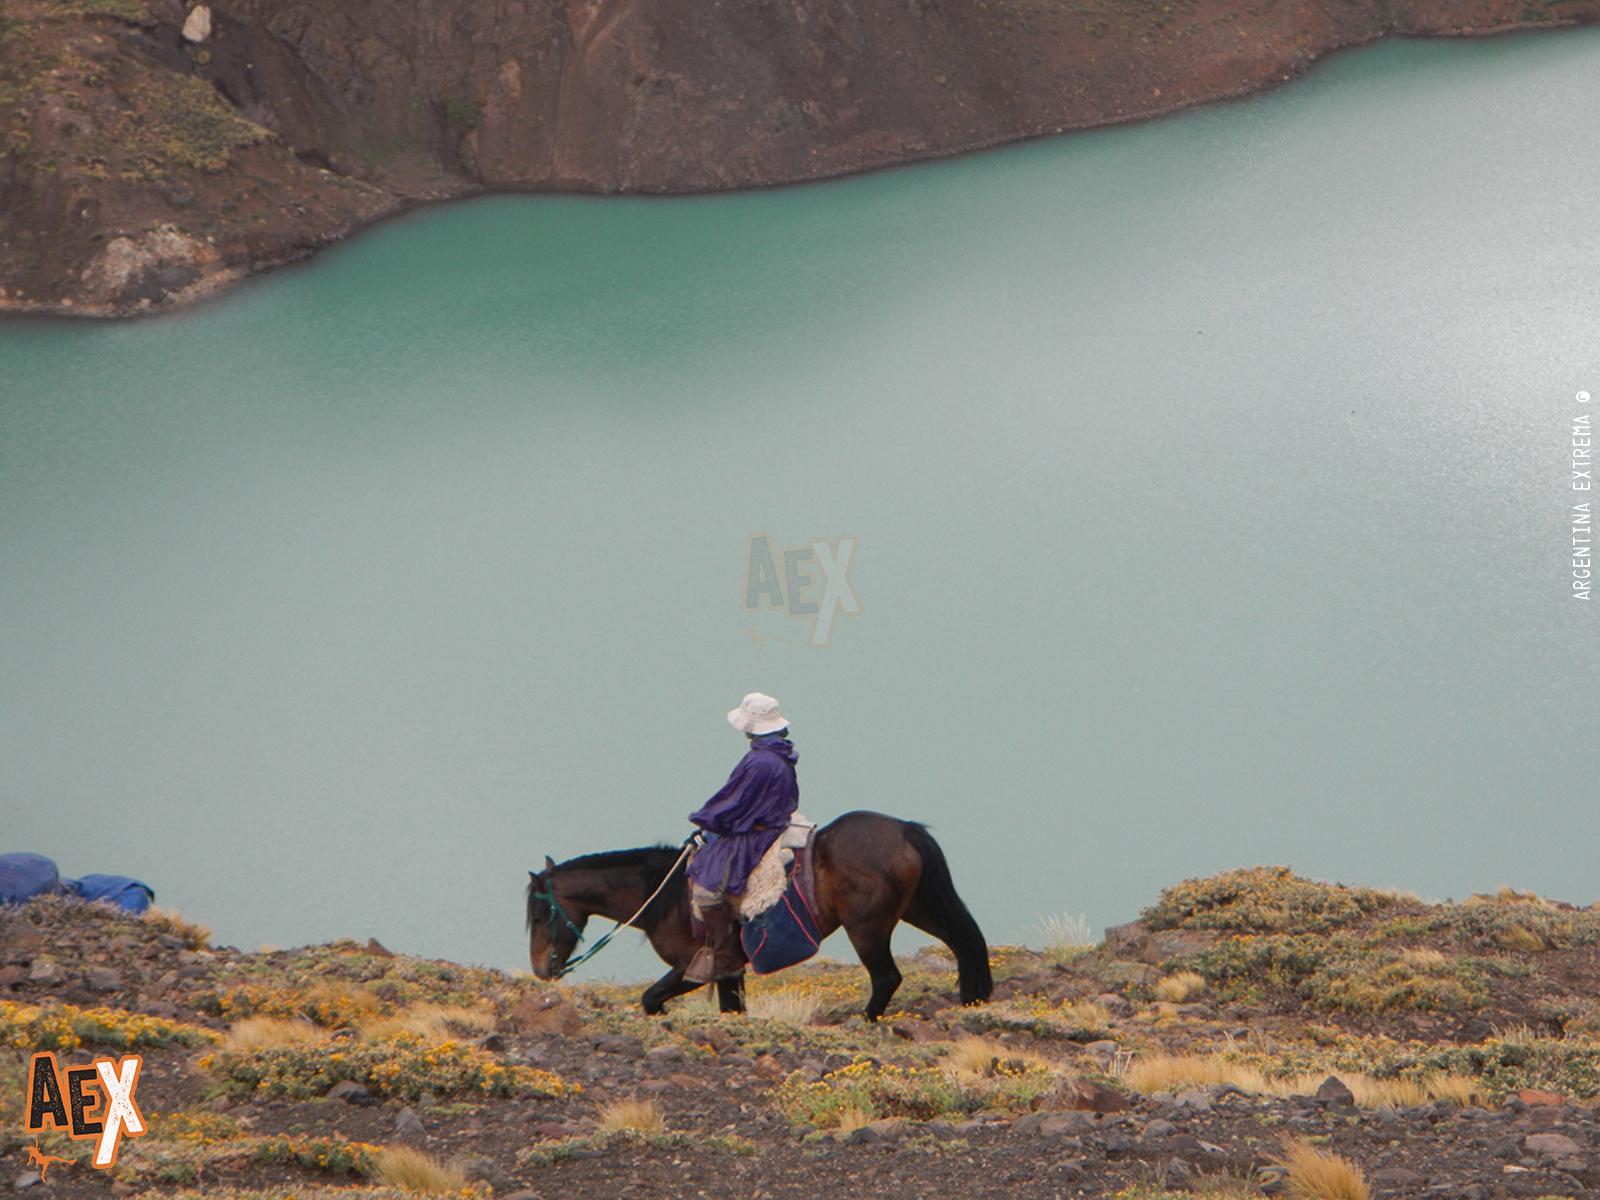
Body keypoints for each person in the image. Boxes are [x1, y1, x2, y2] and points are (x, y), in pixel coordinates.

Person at [683, 692, 800, 983]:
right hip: (771, 824)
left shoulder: (759, 761)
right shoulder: (780, 754)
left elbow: (734, 803)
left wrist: (707, 820)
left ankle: (726, 956)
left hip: (754, 834)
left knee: (706, 891)